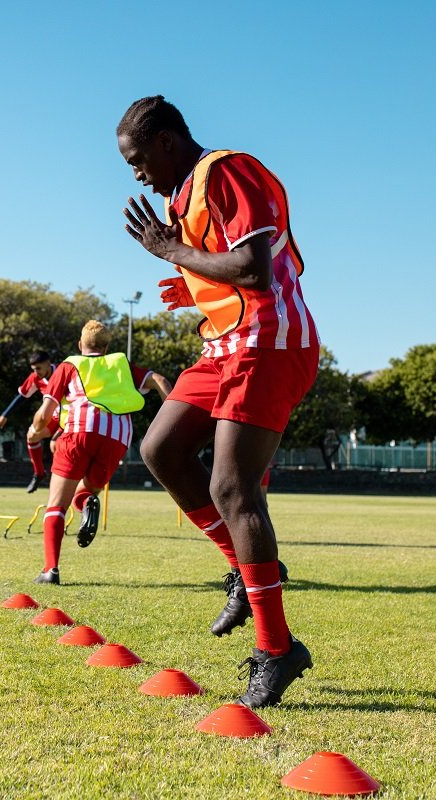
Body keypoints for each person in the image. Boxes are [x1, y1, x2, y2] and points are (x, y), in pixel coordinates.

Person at [116, 96, 319, 708]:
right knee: (160, 448)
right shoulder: (184, 198)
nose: (136, 174)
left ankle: (275, 649)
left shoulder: (227, 170)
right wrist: (192, 283)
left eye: (136, 161)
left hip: (270, 339)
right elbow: (224, 268)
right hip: (224, 346)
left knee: (233, 488)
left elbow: (255, 270)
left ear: (167, 142)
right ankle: (248, 570)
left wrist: (173, 252)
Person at [29, 320, 171, 585]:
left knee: (56, 504)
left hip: (80, 431)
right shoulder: (121, 365)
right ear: (106, 347)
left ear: (80, 345)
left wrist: (35, 430)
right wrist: (173, 420)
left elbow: (45, 413)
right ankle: (86, 504)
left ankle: (50, 570)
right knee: (84, 492)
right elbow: (159, 380)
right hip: (117, 438)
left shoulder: (69, 365)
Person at [0, 351, 58, 492]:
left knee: (56, 445)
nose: (36, 372)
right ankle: (39, 473)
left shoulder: (62, 372)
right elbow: (22, 396)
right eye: (33, 369)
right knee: (32, 435)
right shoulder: (35, 378)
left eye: (39, 368)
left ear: (48, 363)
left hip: (70, 416)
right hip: (52, 417)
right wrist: (5, 415)